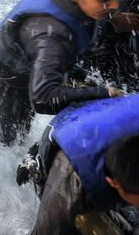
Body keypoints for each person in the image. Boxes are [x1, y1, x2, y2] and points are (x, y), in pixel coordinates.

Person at [0, 0, 127, 146]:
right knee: (12, 140)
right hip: (14, 70)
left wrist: (114, 17)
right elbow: (43, 99)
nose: (115, 5)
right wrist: (103, 94)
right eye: (105, 1)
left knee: (95, 86)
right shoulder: (51, 34)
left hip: (50, 53)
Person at [16, 95, 139, 235]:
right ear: (114, 184)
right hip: (68, 142)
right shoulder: (74, 178)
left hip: (100, 117)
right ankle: (35, 157)